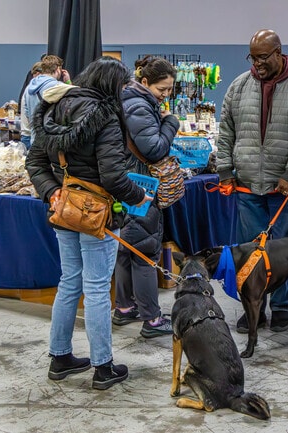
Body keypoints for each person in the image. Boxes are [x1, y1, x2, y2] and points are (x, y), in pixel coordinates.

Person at [25, 57, 152, 390]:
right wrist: (139, 196)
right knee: (96, 288)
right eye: (123, 86)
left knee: (69, 281)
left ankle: (60, 358)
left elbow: (34, 161)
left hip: (64, 210)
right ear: (111, 85)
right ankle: (103, 366)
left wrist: (53, 193)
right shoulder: (106, 117)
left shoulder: (51, 109)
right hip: (98, 214)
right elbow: (113, 176)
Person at [217, 29, 288, 333]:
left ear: (278, 52)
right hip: (247, 186)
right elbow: (226, 133)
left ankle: (282, 308)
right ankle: (255, 307)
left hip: (286, 189)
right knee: (250, 252)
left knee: (286, 252)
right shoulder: (238, 86)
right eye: (253, 57)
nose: (258, 63)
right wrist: (225, 171)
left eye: (263, 57)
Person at [113, 55, 180, 338]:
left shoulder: (131, 101)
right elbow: (154, 150)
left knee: (126, 248)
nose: (165, 96)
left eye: (169, 90)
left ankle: (125, 308)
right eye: (161, 90)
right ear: (144, 82)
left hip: (127, 182)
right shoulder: (139, 106)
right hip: (141, 184)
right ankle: (152, 320)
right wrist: (171, 124)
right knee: (144, 251)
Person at [22, 55, 71, 148]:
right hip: (51, 142)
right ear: (57, 69)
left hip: (35, 140)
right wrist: (68, 81)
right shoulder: (58, 86)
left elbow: (27, 113)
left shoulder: (28, 88)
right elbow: (78, 100)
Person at [19, 61, 43, 150]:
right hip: (31, 135)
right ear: (37, 74)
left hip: (27, 134)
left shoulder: (28, 89)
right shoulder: (34, 91)